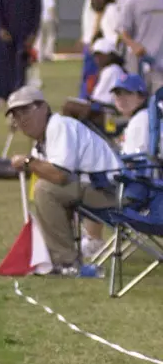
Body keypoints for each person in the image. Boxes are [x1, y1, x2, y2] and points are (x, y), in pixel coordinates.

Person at [7, 86, 123, 275]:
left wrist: (28, 161)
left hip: (114, 191)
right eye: (16, 115)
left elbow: (59, 175)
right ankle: (60, 258)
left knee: (45, 190)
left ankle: (66, 262)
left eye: (25, 111)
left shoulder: (59, 126)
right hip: (99, 187)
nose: (22, 119)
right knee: (45, 189)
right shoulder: (43, 140)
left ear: (43, 107)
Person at [61, 37, 126, 131]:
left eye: (101, 55)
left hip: (110, 117)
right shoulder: (108, 70)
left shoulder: (112, 70)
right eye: (95, 55)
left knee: (69, 106)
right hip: (107, 111)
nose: (97, 59)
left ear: (111, 55)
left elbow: (99, 101)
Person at [119, 0, 163, 92]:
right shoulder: (132, 2)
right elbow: (123, 32)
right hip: (139, 61)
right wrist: (133, 45)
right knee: (138, 96)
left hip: (160, 62)